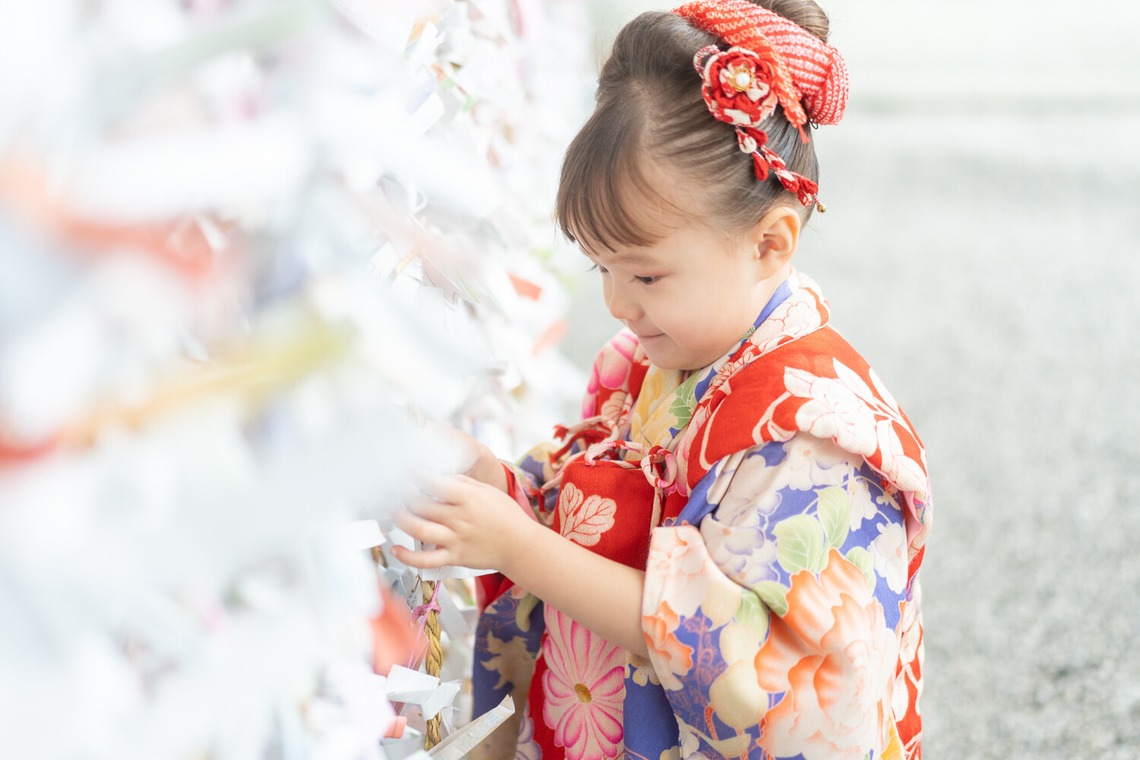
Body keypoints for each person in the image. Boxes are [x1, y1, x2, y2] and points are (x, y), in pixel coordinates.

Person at [393, 0, 932, 757]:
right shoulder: (652, 361)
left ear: (770, 245)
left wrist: (521, 549)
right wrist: (489, 483)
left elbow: (767, 676)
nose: (616, 301)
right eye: (600, 265)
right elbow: (583, 521)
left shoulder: (817, 440)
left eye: (645, 273)